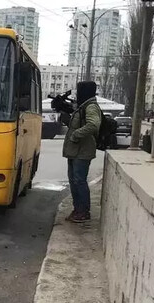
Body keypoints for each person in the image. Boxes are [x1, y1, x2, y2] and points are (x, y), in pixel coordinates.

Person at [63, 81, 102, 222]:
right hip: (75, 150)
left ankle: (83, 211)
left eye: (80, 91)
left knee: (79, 181)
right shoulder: (82, 106)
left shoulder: (90, 106)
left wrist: (76, 135)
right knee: (74, 181)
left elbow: (93, 124)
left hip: (82, 151)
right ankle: (77, 209)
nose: (78, 94)